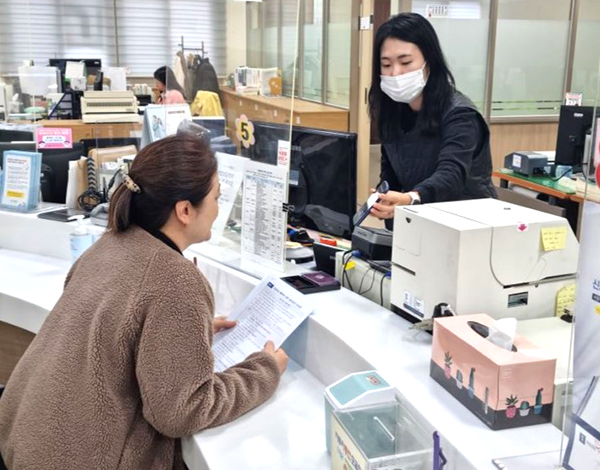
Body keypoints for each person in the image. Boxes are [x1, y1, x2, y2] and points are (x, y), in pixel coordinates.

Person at [0, 134, 288, 469]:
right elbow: (183, 411)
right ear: (184, 210)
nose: (217, 209)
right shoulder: (176, 280)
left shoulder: (108, 245)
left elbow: (118, 330)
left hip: (26, 443)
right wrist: (265, 371)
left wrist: (187, 332)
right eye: (215, 198)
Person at [368, 13, 497, 223]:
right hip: (416, 220)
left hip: (466, 221)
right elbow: (391, 165)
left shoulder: (460, 114)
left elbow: (451, 174)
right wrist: (384, 194)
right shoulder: (391, 109)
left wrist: (411, 198)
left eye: (406, 61)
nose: (396, 73)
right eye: (386, 64)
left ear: (430, 61)